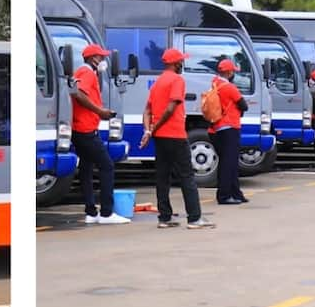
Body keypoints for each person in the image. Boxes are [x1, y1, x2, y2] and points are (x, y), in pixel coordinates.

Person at [139, 48, 215, 229]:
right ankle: (195, 218)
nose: (182, 64)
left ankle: (164, 218)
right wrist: (154, 128)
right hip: (175, 134)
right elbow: (171, 107)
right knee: (187, 176)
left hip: (160, 137)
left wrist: (148, 131)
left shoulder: (158, 83)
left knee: (162, 177)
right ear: (175, 63)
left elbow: (148, 110)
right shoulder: (177, 80)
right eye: (181, 61)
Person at [71, 43, 130, 225]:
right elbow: (79, 95)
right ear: (93, 58)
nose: (104, 60)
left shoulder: (82, 72)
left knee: (86, 170)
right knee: (107, 166)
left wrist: (99, 111)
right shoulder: (87, 73)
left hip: (79, 128)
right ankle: (106, 213)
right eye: (101, 57)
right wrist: (100, 111)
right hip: (86, 129)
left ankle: (91, 212)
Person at [209, 59, 249, 204]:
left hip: (217, 128)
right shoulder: (229, 87)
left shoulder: (215, 83)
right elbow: (243, 105)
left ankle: (236, 193)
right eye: (233, 71)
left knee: (228, 162)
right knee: (229, 164)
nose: (234, 74)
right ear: (229, 72)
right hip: (229, 127)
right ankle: (225, 195)